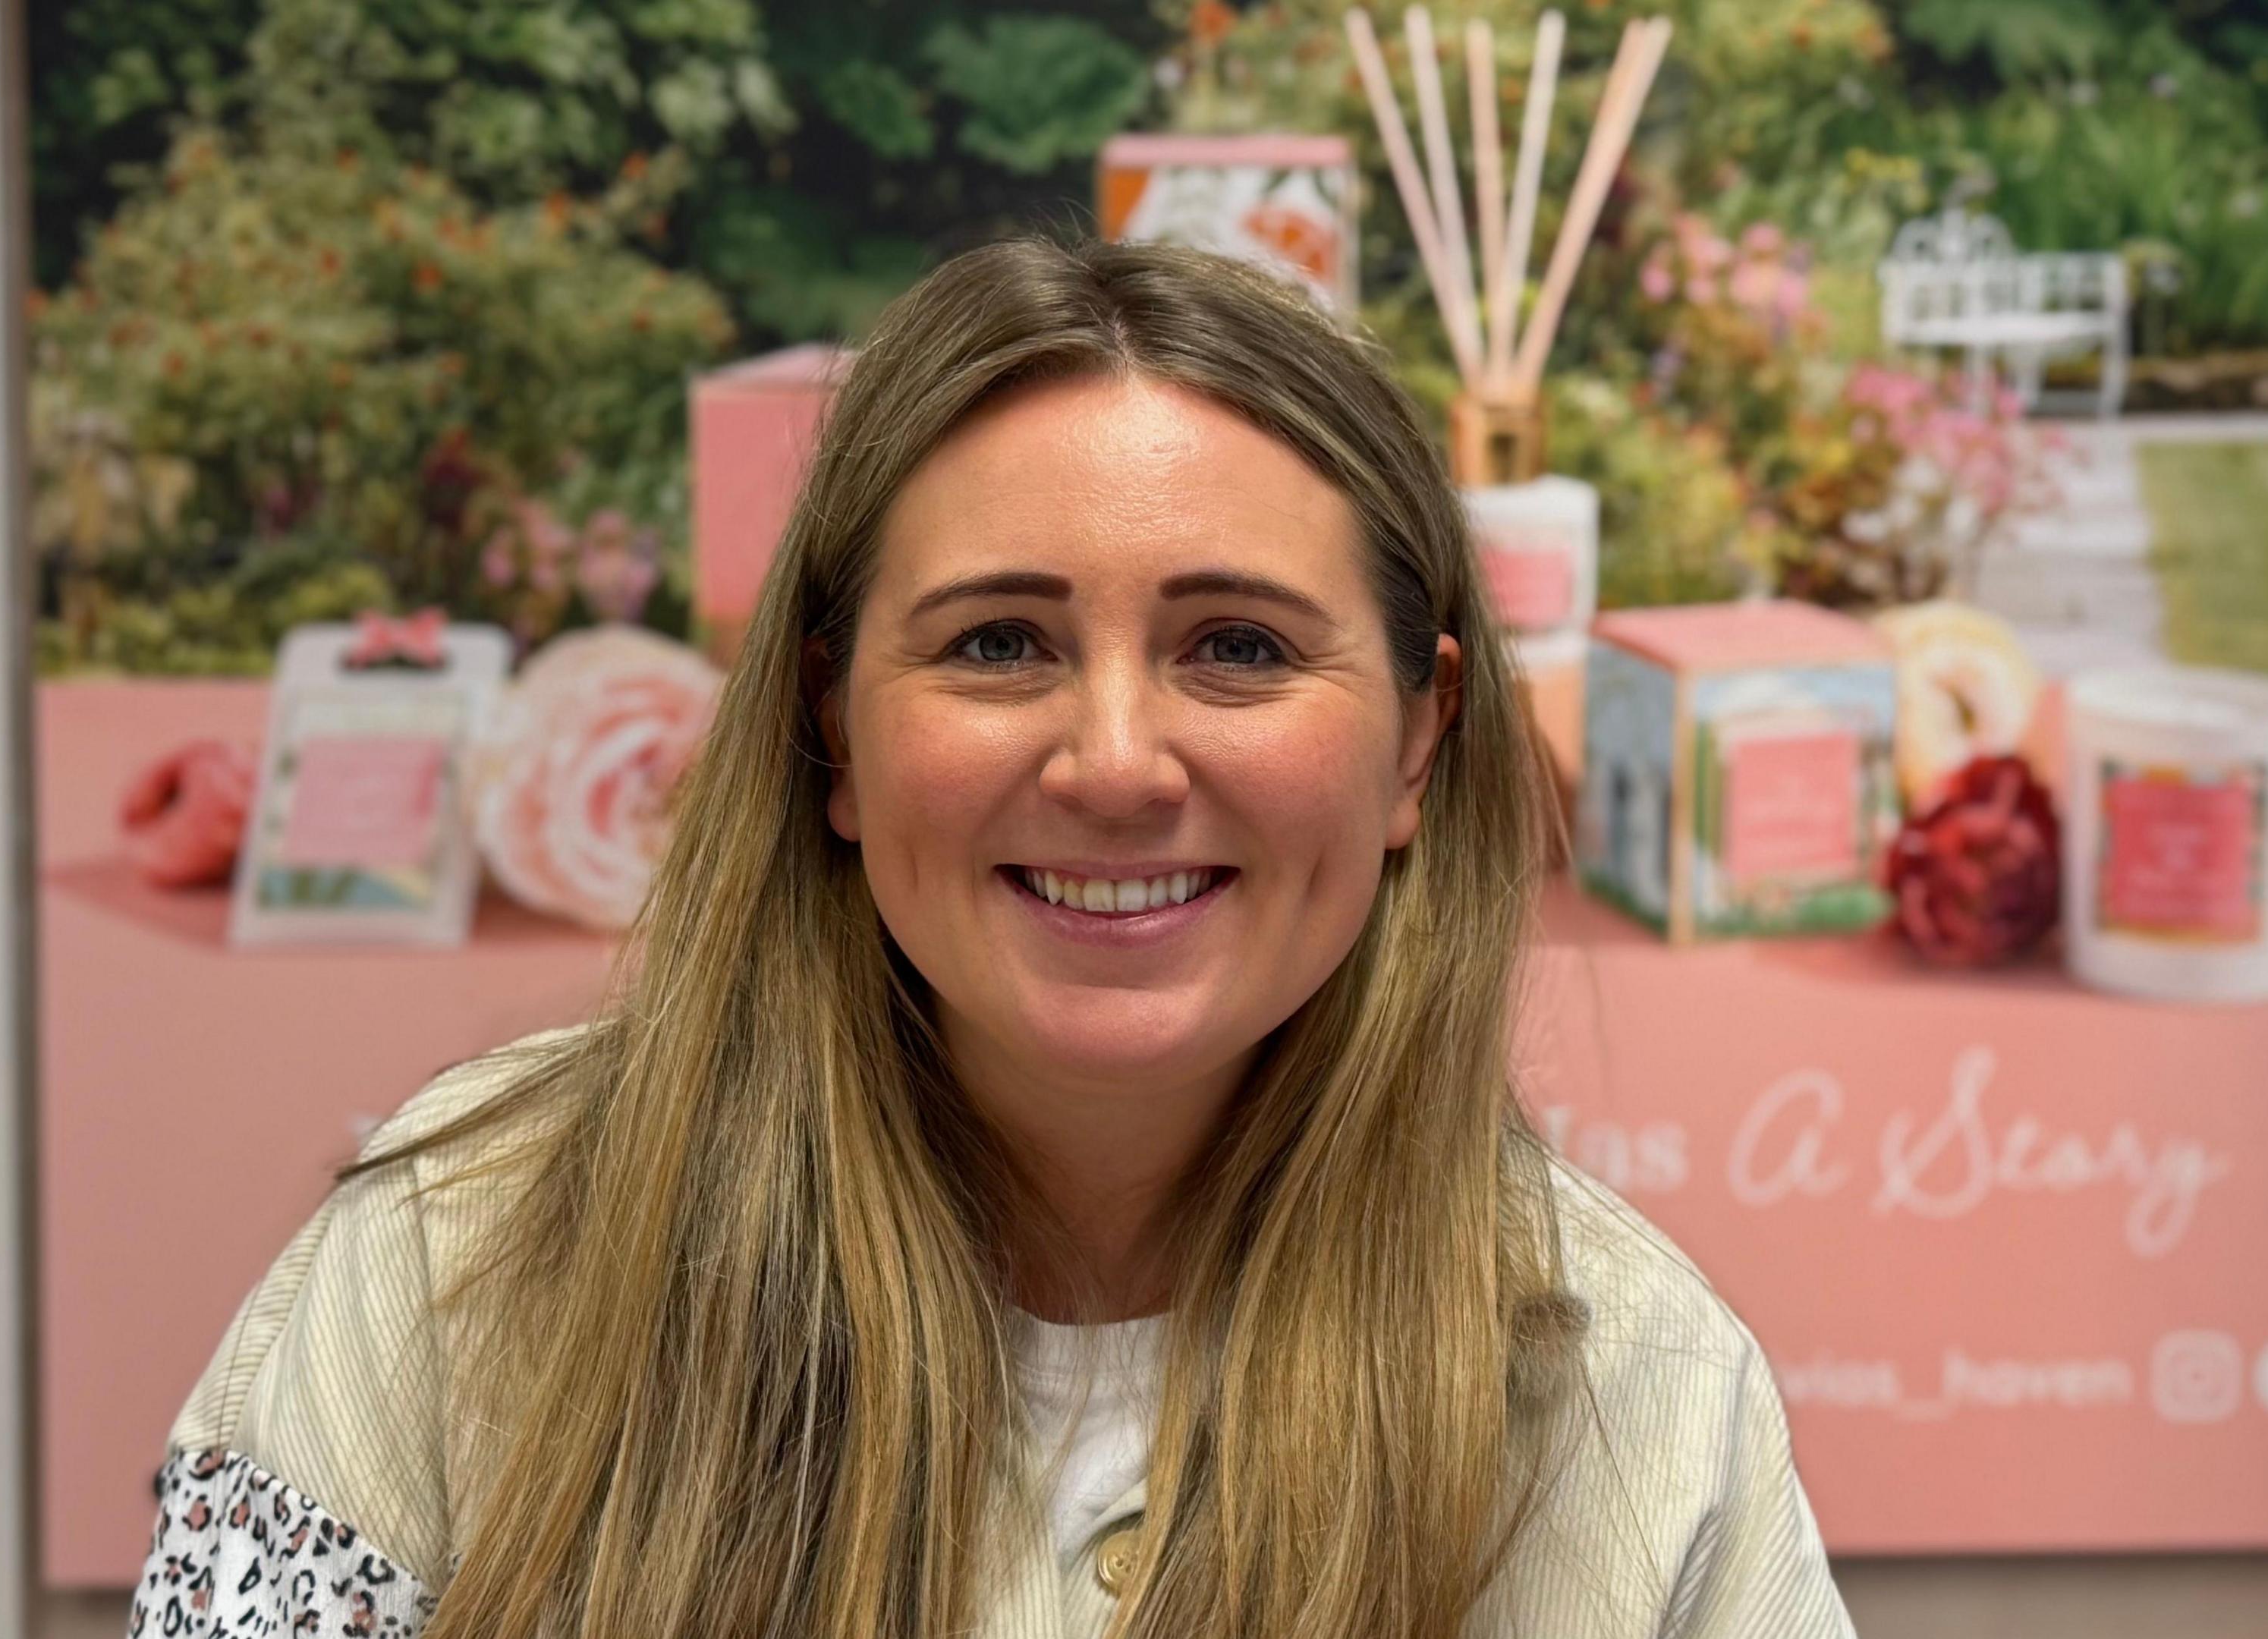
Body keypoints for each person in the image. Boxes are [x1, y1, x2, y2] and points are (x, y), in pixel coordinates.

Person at [125, 238, 1852, 1639]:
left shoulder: (1642, 1390)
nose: (1113, 762)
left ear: (1416, 738)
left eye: (1239, 648)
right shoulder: (451, 1264)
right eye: (998, 645)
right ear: (834, 729)